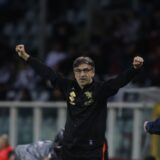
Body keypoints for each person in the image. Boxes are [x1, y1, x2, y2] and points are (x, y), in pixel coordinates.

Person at [15, 44, 144, 160]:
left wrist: (135, 68)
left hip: (92, 151)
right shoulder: (67, 86)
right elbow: (47, 73)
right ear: (74, 73)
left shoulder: (100, 89)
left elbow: (120, 81)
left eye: (86, 70)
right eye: (78, 71)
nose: (82, 74)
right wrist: (26, 56)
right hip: (69, 149)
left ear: (92, 72)